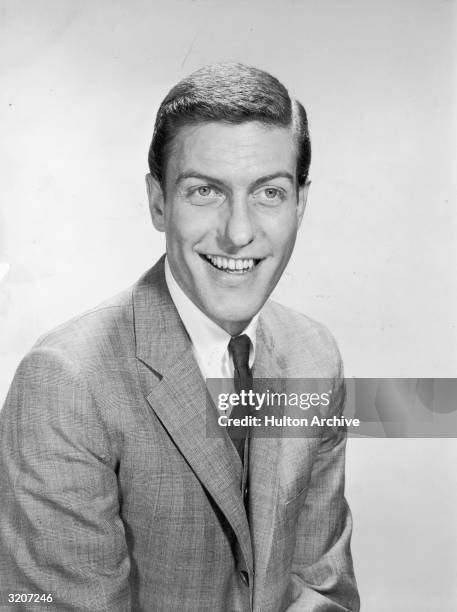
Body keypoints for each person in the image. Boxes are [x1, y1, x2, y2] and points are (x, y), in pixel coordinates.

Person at [0, 63, 359, 611]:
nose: (239, 233)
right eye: (204, 191)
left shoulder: (316, 351)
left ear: (300, 204)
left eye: (269, 192)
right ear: (158, 202)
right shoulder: (64, 382)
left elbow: (322, 590)